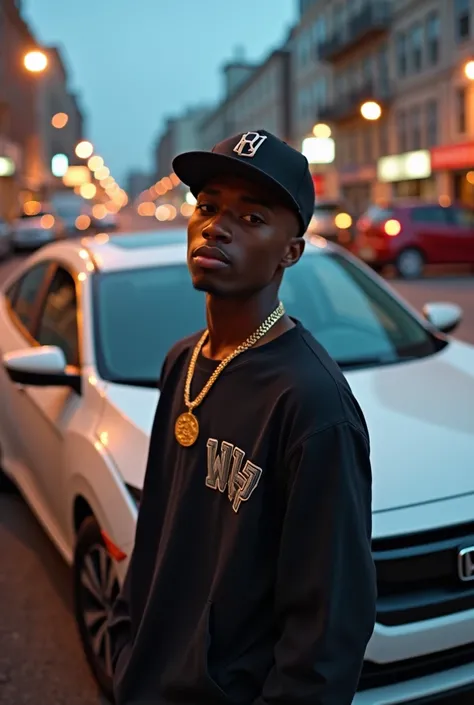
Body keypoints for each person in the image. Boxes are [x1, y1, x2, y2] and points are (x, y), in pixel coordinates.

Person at [109, 129, 377, 705]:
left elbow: (328, 629)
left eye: (252, 219)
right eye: (207, 207)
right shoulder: (182, 360)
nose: (216, 227)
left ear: (291, 251)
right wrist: (126, 644)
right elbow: (159, 522)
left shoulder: (312, 403)